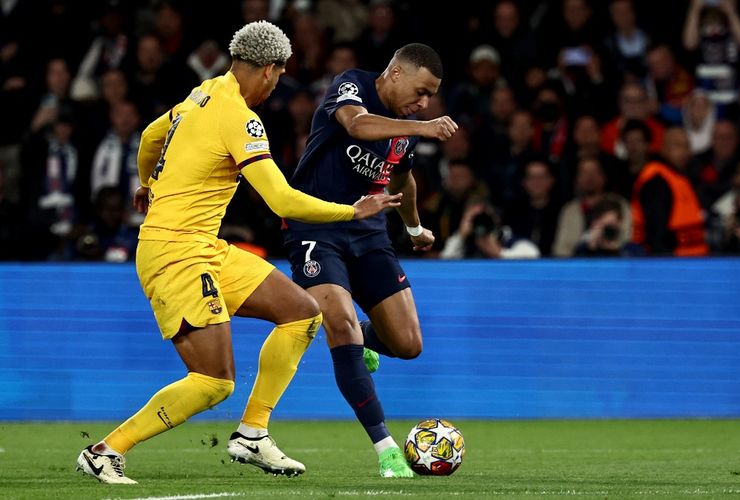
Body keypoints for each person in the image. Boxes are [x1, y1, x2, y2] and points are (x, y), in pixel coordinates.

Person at [75, 21, 401, 485]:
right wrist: (354, 211)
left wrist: (147, 183)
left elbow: (149, 137)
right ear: (269, 70)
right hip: (176, 253)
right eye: (278, 76)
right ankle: (106, 451)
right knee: (214, 381)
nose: (275, 86)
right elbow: (283, 201)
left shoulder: (201, 93)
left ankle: (252, 433)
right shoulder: (241, 118)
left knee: (303, 313)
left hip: (203, 246)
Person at [283, 43, 457, 477]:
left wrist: (414, 229)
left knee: (408, 344)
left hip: (369, 233)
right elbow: (357, 126)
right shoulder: (353, 86)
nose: (424, 103)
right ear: (396, 72)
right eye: (421, 91)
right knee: (337, 324)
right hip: (315, 227)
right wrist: (423, 126)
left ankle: (364, 337)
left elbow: (402, 179)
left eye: (431, 97)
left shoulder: (403, 129)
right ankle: (386, 448)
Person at [631, 127, 708, 256]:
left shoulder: (679, 176)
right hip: (672, 265)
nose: (683, 152)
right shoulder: (657, 180)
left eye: (686, 146)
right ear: (663, 148)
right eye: (677, 146)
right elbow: (656, 234)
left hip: (692, 262)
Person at [573, 194, 644, 257]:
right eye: (604, 226)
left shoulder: (633, 251)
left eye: (611, 225)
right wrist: (590, 249)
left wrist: (614, 250)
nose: (608, 230)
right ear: (594, 224)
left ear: (620, 223)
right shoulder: (583, 251)